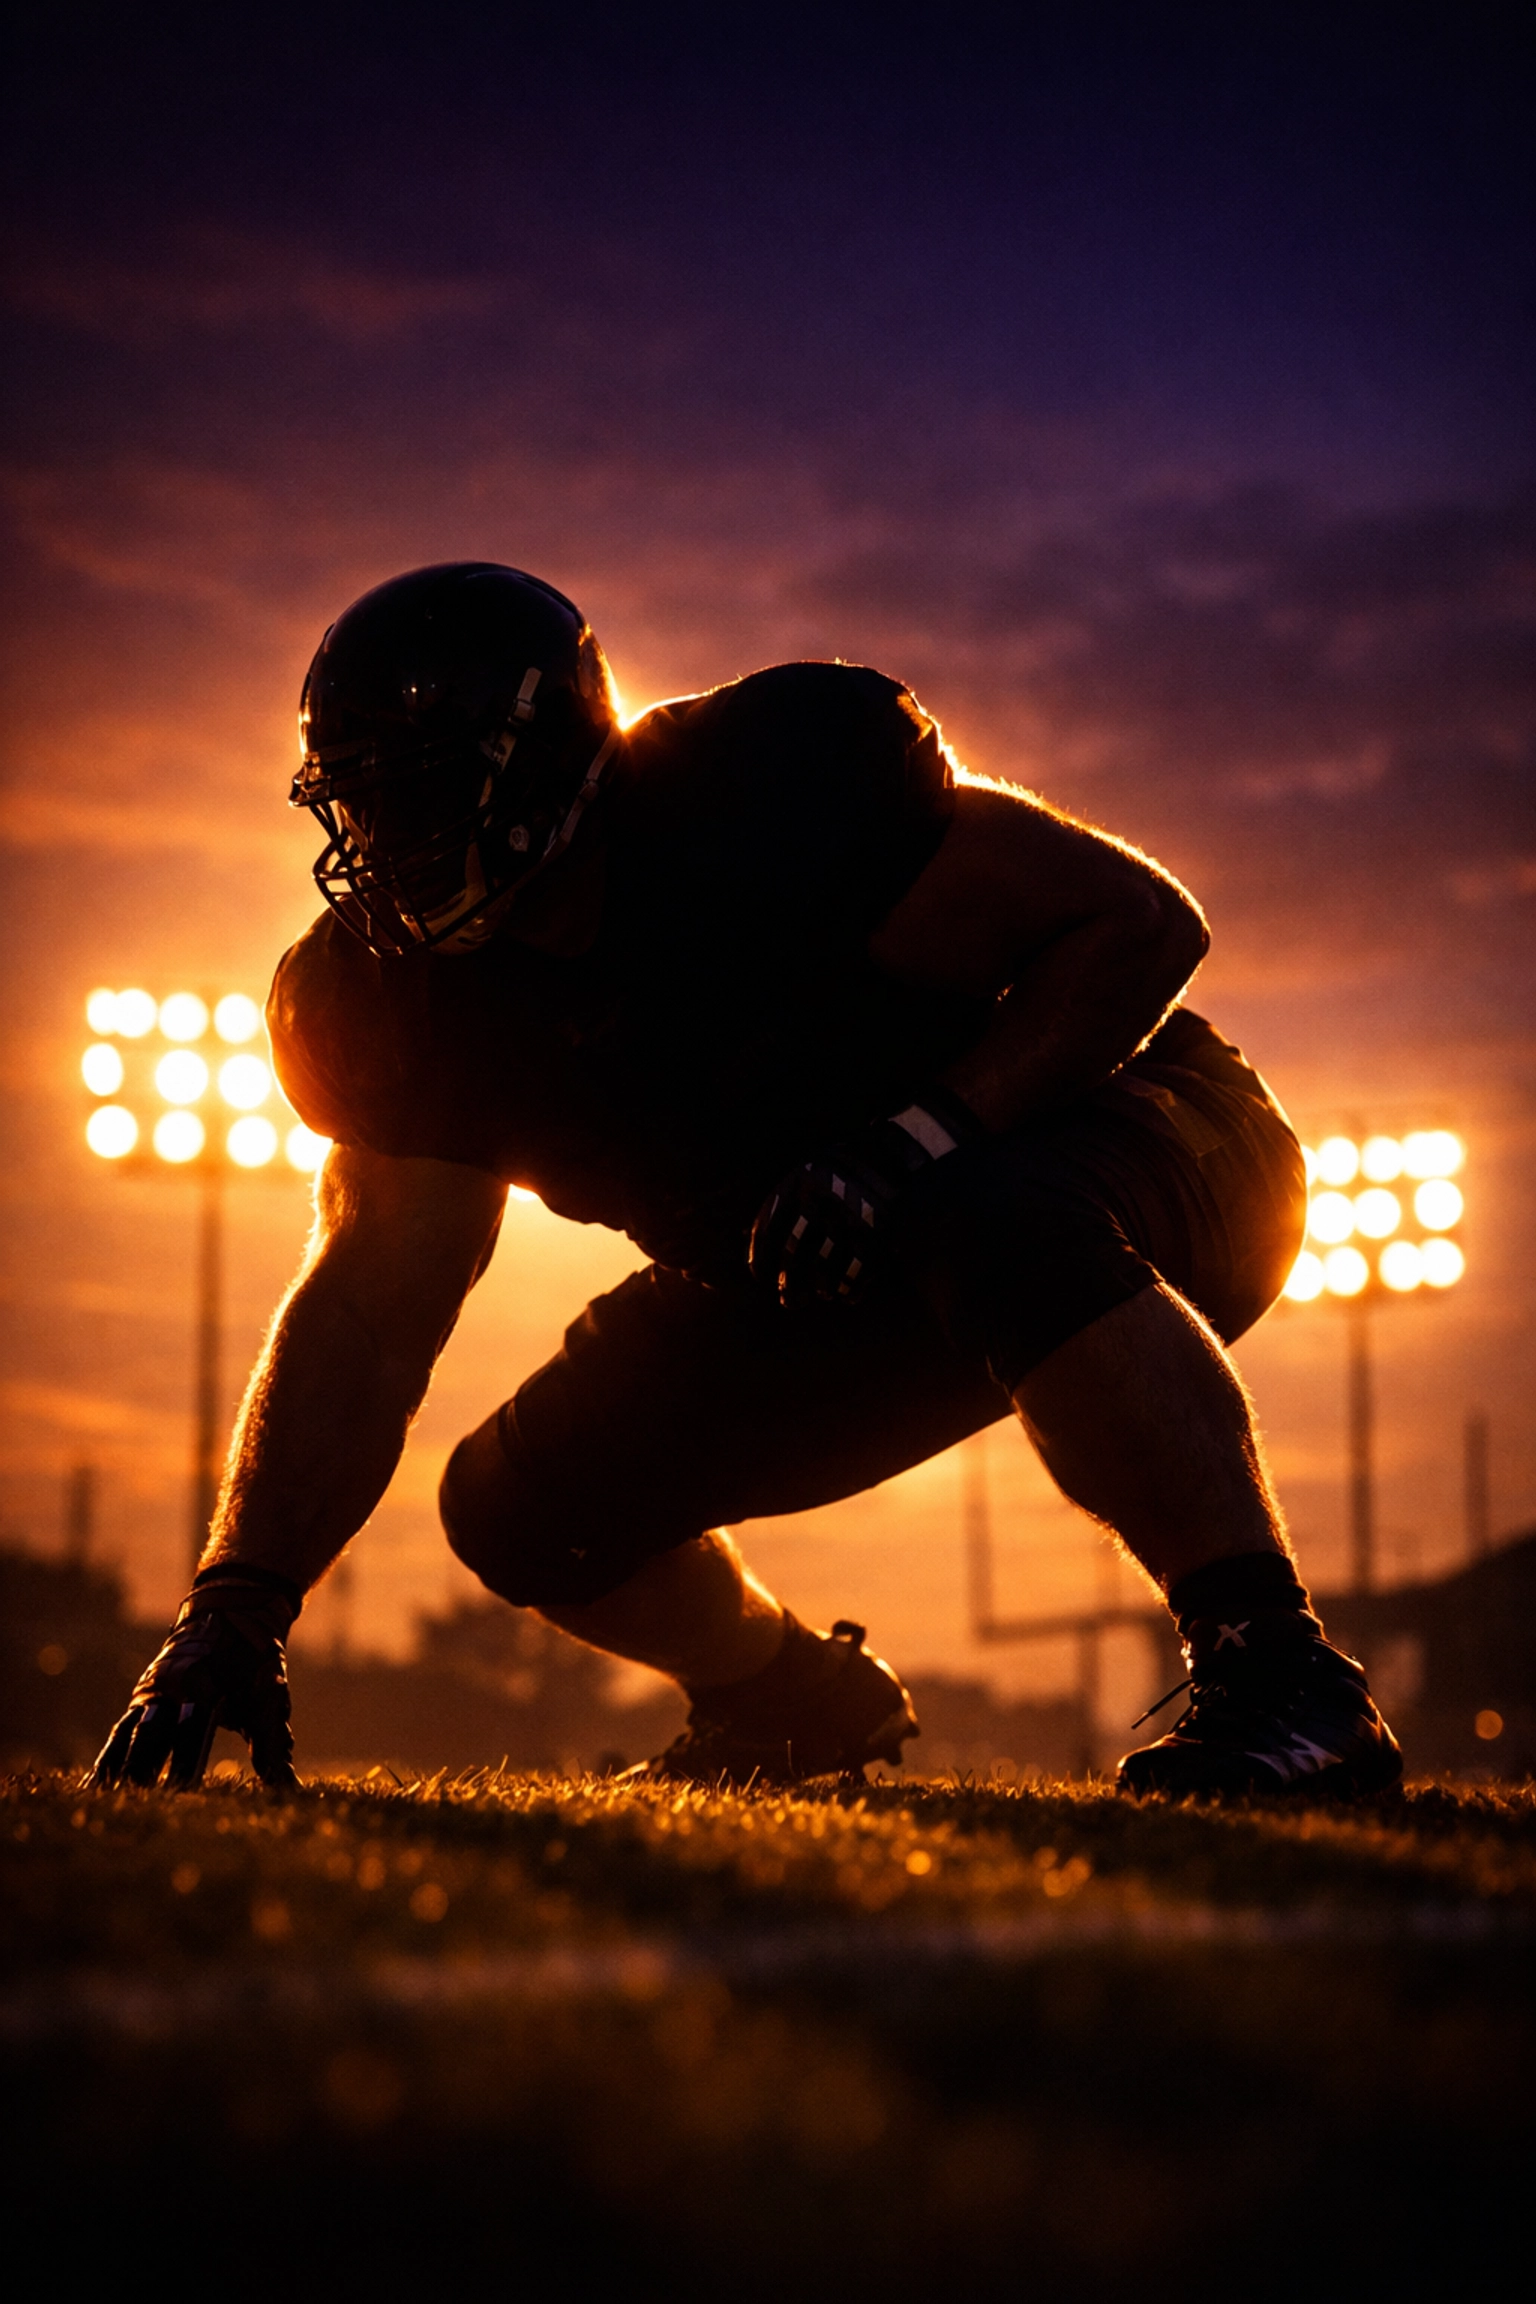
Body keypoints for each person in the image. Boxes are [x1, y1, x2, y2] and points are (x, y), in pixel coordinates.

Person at [92, 562, 1402, 1800]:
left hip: (1155, 1148)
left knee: (978, 1210)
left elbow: (1136, 922)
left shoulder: (758, 801)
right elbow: (371, 1309)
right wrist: (237, 1609)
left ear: (542, 760)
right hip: (832, 1250)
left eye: (422, 789)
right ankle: (787, 1701)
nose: (388, 836)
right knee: (524, 1502)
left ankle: (1278, 1671)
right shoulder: (401, 1006)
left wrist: (919, 1135)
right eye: (363, 797)